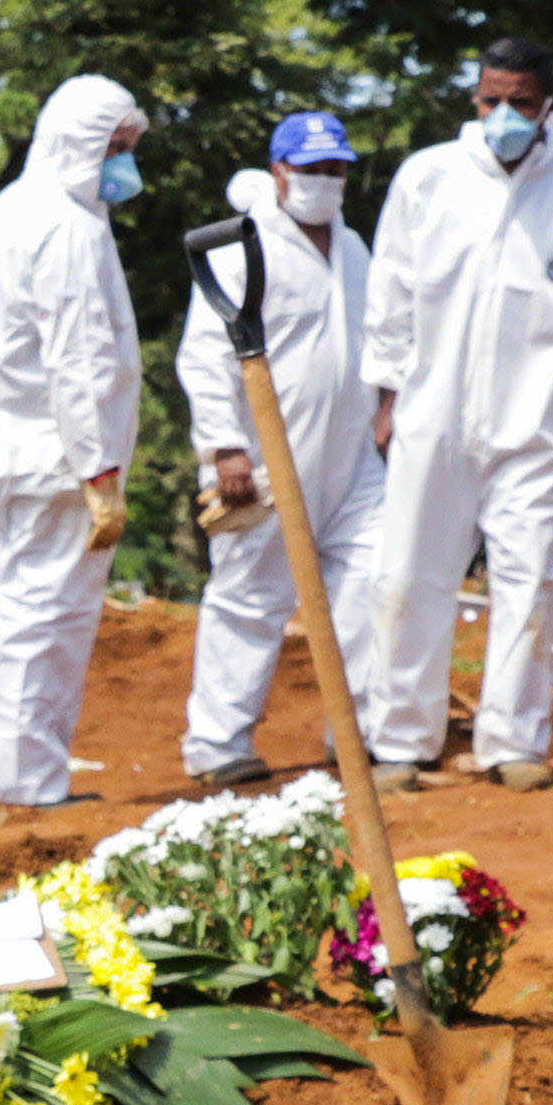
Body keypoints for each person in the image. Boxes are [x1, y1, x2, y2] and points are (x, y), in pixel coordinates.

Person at [360, 37, 553, 791]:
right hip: (431, 414)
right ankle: (400, 738)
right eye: (490, 100)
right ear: (473, 97)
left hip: (536, 420)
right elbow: (389, 290)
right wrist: (387, 394)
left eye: (519, 102)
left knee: (530, 582)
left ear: (547, 103)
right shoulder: (427, 178)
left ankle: (512, 742)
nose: (502, 117)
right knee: (407, 575)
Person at [0, 75, 146, 809]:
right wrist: (101, 471)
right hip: (60, 458)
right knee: (47, 619)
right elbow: (81, 359)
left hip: (12, 450)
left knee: (28, 609)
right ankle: (27, 782)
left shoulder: (3, 214)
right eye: (114, 149)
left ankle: (27, 773)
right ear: (79, 145)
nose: (124, 166)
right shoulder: (68, 228)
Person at [178, 111, 383, 790]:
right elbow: (205, 355)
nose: (324, 182)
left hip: (354, 464)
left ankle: (353, 738)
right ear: (277, 173)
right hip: (267, 461)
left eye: (335, 170)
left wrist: (387, 405)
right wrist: (223, 449)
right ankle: (216, 743)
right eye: (309, 170)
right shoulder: (240, 249)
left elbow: (378, 337)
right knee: (249, 598)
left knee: (374, 587)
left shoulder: (353, 248)